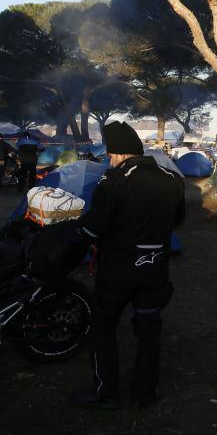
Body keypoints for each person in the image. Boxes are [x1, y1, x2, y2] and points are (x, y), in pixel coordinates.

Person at [70, 121, 185, 410]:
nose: (109, 159)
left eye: (110, 155)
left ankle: (106, 393)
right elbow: (177, 221)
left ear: (120, 153)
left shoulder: (114, 181)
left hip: (118, 268)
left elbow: (94, 228)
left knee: (103, 326)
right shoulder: (173, 179)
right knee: (149, 330)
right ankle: (145, 393)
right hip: (156, 266)